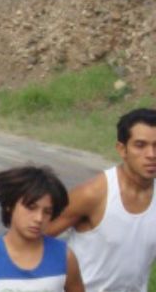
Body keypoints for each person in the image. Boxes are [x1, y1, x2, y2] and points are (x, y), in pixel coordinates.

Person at [46, 108, 156, 292]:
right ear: (122, 149)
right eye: (140, 145)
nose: (151, 154)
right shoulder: (93, 194)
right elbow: (34, 238)